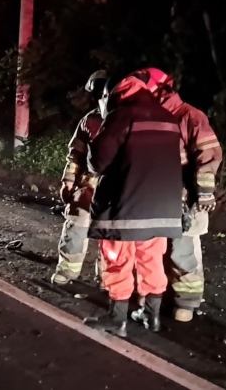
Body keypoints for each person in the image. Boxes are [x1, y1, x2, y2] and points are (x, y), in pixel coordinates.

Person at [84, 69, 183, 337]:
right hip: (162, 211)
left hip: (125, 209)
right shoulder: (168, 117)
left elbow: (98, 163)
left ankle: (117, 319)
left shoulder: (121, 116)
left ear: (113, 93)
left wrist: (94, 138)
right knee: (152, 261)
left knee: (117, 261)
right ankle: (151, 316)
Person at [146, 68, 223, 323]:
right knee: (158, 251)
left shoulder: (190, 116)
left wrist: (202, 194)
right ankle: (164, 296)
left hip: (185, 201)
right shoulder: (151, 117)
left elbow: (208, 156)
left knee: (183, 251)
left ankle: (186, 303)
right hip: (159, 198)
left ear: (160, 89)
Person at [51, 70, 108, 285]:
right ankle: (68, 271)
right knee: (77, 226)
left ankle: (107, 279)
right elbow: (76, 154)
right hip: (91, 186)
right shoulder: (89, 120)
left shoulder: (119, 120)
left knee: (108, 233)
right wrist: (68, 181)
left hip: (109, 187)